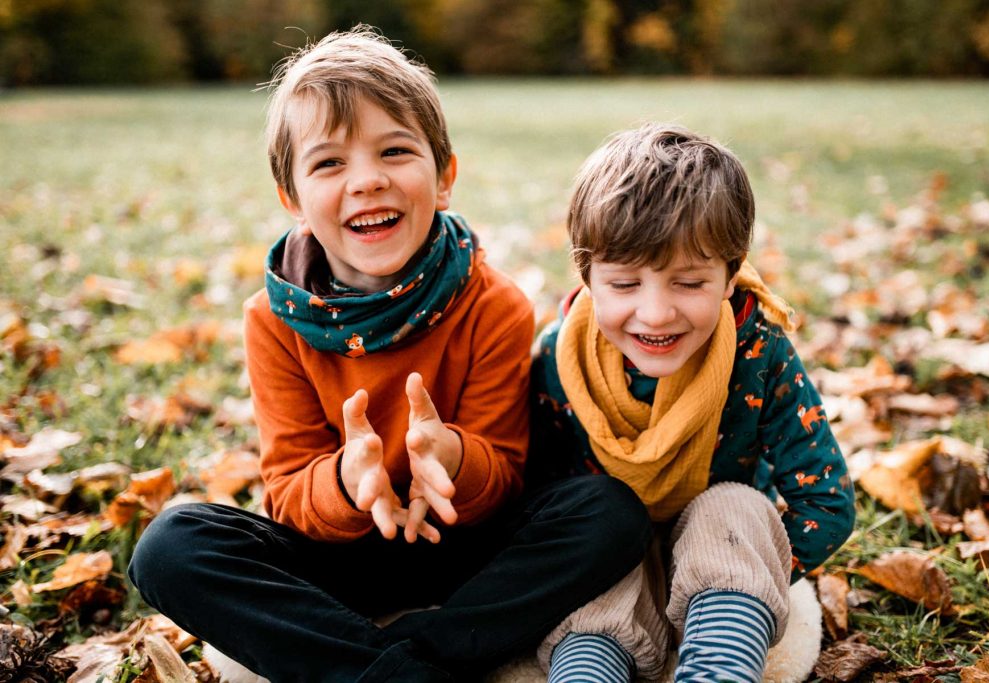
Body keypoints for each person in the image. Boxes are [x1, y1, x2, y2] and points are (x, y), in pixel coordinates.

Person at [128, 27, 651, 683]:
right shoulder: (273, 320)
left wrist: (452, 455)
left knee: (609, 514)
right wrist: (352, 479)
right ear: (292, 199)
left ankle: (399, 657)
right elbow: (289, 493)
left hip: (469, 546)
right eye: (329, 164)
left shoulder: (492, 302)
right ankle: (411, 669)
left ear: (444, 178)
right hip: (341, 556)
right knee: (171, 547)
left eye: (395, 151)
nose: (367, 181)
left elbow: (505, 472)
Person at [529, 124, 855, 682]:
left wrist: (752, 583)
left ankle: (719, 656)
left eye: (688, 283)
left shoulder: (759, 349)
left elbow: (826, 502)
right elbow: (535, 497)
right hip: (610, 550)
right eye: (625, 285)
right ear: (586, 277)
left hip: (717, 551)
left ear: (731, 273)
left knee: (736, 511)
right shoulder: (560, 360)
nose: (655, 314)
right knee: (592, 532)